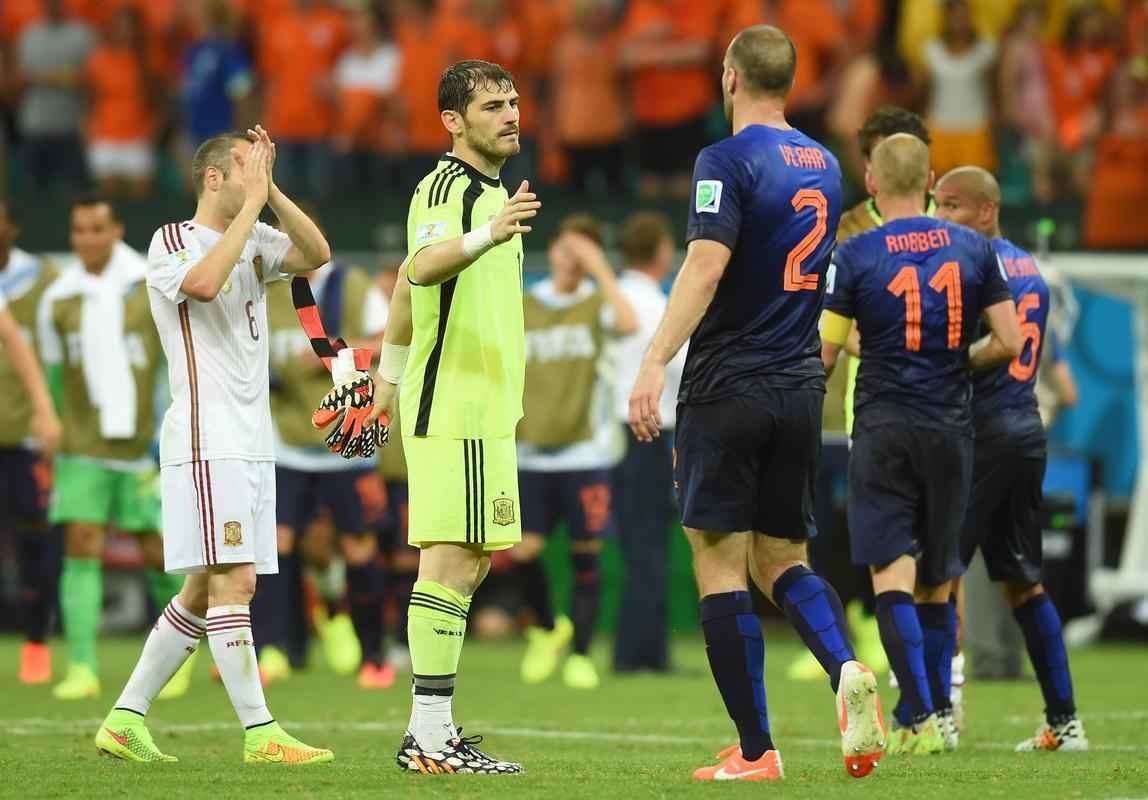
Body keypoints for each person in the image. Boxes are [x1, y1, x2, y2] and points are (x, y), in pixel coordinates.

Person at [628, 25, 885, 782]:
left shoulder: (725, 159)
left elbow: (706, 266)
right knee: (784, 558)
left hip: (728, 383)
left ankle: (754, 750)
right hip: (802, 383)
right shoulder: (824, 162)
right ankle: (843, 667)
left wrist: (653, 360)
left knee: (718, 559)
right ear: (792, 81)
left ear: (730, 75)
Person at [92, 126, 334, 763]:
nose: (253, 173)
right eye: (243, 165)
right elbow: (201, 286)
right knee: (237, 580)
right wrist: (252, 208)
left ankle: (124, 719)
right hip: (207, 437)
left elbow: (316, 253)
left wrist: (271, 191)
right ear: (212, 177)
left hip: (252, 441)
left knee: (202, 592)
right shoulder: (171, 239)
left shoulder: (256, 234)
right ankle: (261, 734)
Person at [820, 134, 1022, 756]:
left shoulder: (854, 255)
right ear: (932, 180)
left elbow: (825, 353)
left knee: (891, 578)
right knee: (939, 581)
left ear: (873, 184)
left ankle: (918, 717)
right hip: (950, 427)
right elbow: (1010, 342)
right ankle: (934, 714)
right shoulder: (973, 248)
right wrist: (964, 360)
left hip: (881, 424)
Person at [365, 59, 539, 775]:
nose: (510, 114)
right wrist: (486, 234)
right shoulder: (449, 188)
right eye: (493, 105)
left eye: (514, 102)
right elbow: (423, 267)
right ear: (453, 122)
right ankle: (429, 738)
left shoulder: (495, 195)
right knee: (448, 561)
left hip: (486, 407)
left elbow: (407, 293)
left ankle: (430, 732)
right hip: (454, 401)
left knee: (469, 563)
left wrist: (384, 375)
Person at [933, 166, 1088, 752]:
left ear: (987, 211)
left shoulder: (973, 269)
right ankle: (1065, 722)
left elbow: (992, 346)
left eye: (953, 207)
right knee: (1023, 583)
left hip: (983, 434)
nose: (942, 217)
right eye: (938, 205)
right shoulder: (1034, 273)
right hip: (1025, 430)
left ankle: (937, 715)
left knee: (938, 574)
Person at [789, 106, 933, 685]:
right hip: (849, 404)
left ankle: (932, 663)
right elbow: (830, 315)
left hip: (921, 402)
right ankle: (852, 623)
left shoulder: (945, 225)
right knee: (833, 520)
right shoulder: (845, 227)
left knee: (923, 536)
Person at [36, 197, 177, 701]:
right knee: (81, 544)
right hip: (82, 441)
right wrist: (50, 425)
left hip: (144, 441)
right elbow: (55, 375)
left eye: (97, 228)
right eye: (79, 230)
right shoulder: (59, 297)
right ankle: (82, 666)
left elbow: (171, 361)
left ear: (116, 229)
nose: (87, 239)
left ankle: (177, 654)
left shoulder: (149, 281)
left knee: (158, 549)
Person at [514, 213, 638, 691]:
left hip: (586, 453)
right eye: (568, 250)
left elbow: (627, 322)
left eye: (583, 253)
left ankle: (582, 654)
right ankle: (547, 628)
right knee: (523, 552)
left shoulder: (597, 304)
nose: (573, 261)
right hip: (531, 450)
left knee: (587, 554)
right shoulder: (528, 301)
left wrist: (600, 269)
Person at [263, 253, 391, 687]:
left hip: (349, 440)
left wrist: (329, 350)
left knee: (358, 545)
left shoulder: (353, 285)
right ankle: (275, 650)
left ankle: (374, 654)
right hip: (287, 440)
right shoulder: (267, 287)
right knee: (278, 544)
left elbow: (387, 338)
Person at [611, 210, 682, 674]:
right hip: (656, 430)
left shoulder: (610, 301)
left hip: (617, 433)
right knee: (651, 545)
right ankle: (642, 653)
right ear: (660, 252)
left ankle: (639, 648)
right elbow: (680, 368)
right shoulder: (661, 306)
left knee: (636, 544)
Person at [0, 203, 62, 685]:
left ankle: (37, 642)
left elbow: (16, 341)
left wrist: (44, 407)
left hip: (20, 436)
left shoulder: (45, 279)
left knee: (33, 538)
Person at [14, 0, 94, 191]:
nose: (52, 6)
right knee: (35, 187)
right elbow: (20, 76)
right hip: (35, 123)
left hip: (71, 124)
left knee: (76, 188)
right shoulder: (29, 34)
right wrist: (60, 77)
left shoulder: (82, 33)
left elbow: (90, 76)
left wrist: (44, 78)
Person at [83, 6, 162, 197]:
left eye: (129, 26)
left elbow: (159, 100)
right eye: (120, 26)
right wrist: (88, 130)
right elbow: (88, 99)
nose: (125, 31)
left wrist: (153, 130)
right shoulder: (99, 59)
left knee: (141, 198)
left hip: (138, 137)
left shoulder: (148, 59)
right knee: (107, 197)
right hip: (105, 136)